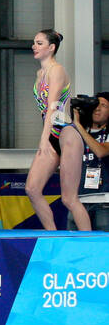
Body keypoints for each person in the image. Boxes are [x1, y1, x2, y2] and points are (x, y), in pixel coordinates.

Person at [25, 30, 91, 231]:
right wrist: (45, 137)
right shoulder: (40, 73)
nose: (34, 46)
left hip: (66, 134)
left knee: (69, 199)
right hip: (52, 132)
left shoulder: (57, 70)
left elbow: (53, 106)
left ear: (51, 47)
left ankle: (90, 245)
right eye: (34, 43)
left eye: (39, 43)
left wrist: (44, 139)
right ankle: (52, 235)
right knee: (32, 189)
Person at [72, 92, 109, 230]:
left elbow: (101, 151)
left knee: (102, 246)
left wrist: (78, 126)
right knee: (76, 246)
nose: (98, 108)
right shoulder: (77, 132)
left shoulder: (82, 131)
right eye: (95, 104)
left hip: (103, 201)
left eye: (103, 105)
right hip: (78, 199)